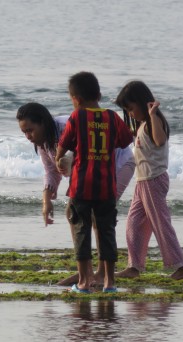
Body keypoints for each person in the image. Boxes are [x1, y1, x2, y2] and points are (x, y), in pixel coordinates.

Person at [16, 103, 135, 287]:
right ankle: (86, 272)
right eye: (24, 132)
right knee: (75, 214)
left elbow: (86, 153)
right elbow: (51, 171)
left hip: (118, 164)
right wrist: (46, 201)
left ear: (43, 123)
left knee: (98, 216)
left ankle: (101, 274)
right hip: (90, 175)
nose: (28, 137)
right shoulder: (43, 143)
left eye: (30, 130)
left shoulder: (66, 126)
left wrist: (66, 160)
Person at [54, 71, 134, 293]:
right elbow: (126, 139)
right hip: (106, 187)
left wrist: (58, 159)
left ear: (75, 100)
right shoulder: (112, 117)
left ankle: (83, 282)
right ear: (99, 95)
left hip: (81, 186)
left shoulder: (76, 117)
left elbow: (63, 146)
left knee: (81, 231)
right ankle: (110, 282)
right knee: (107, 232)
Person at [114, 80, 183, 280]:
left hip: (153, 180)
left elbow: (159, 140)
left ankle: (181, 266)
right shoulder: (142, 126)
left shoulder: (153, 121)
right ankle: (134, 266)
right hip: (142, 182)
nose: (130, 113)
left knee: (160, 223)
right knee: (133, 222)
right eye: (127, 110)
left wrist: (152, 114)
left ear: (142, 103)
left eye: (131, 109)